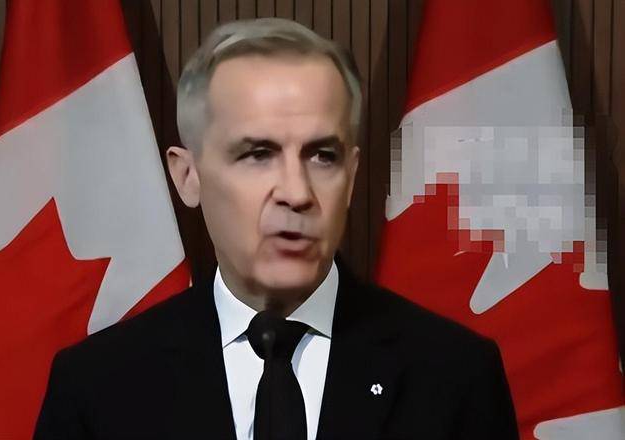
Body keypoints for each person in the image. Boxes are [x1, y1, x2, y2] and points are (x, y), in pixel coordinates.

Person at [34, 18, 519, 440]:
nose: (296, 192)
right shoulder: (96, 388)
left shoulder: (455, 376)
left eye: (322, 156)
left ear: (351, 178)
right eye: (258, 154)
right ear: (188, 176)